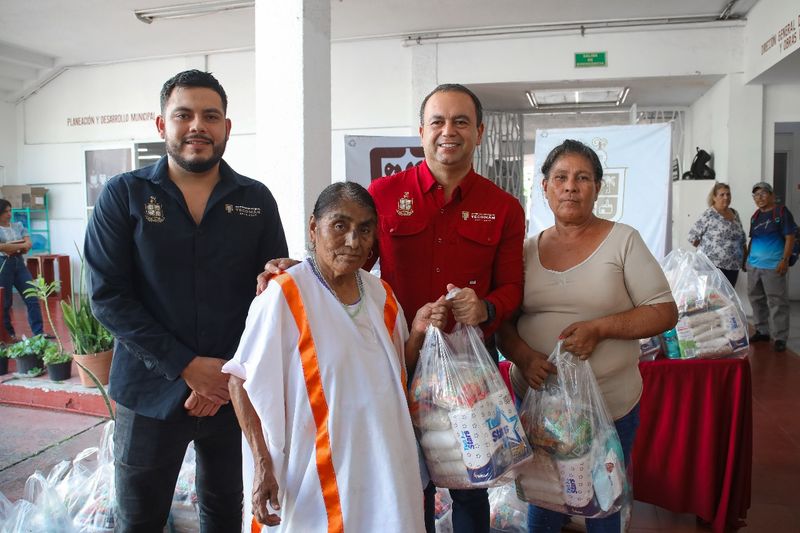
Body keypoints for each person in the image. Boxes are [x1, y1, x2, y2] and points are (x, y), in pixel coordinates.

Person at [85, 69, 287, 532]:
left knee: (225, 515)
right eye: (184, 114)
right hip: (149, 393)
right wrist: (186, 366)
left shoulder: (255, 200)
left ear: (226, 127)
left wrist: (225, 375)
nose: (198, 125)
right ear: (162, 125)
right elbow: (107, 297)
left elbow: (270, 298)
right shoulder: (125, 195)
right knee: (139, 519)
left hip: (232, 394)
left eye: (210, 115)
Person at [224, 182, 447, 532]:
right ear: (314, 228)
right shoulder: (284, 294)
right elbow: (239, 380)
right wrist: (262, 463)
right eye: (340, 226)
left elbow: (399, 371)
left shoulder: (380, 294)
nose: (353, 241)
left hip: (384, 468)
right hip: (317, 475)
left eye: (365, 229)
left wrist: (417, 330)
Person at [497, 139, 678, 533]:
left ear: (598, 187)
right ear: (544, 187)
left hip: (609, 407)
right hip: (539, 407)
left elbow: (664, 311)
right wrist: (524, 356)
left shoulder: (623, 240)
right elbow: (503, 322)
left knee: (602, 502)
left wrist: (601, 328)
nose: (570, 187)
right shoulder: (525, 251)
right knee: (545, 499)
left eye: (582, 178)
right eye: (560, 178)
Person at [744, 181, 797, 352]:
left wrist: (785, 259)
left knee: (777, 302)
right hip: (754, 266)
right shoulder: (755, 216)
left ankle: (780, 337)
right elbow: (753, 239)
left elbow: (790, 237)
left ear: (772, 196)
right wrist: (747, 259)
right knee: (756, 299)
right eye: (756, 195)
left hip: (774, 266)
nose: (759, 198)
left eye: (763, 194)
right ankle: (762, 331)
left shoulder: (781, 212)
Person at [0, 198, 45, 341]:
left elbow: (28, 244)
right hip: (3, 264)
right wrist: (20, 246)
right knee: (6, 302)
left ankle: (39, 332)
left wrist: (10, 246)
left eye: (10, 210)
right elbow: (2, 248)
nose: (9, 214)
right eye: (5, 211)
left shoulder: (18, 225)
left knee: (32, 296)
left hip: (19, 264)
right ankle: (9, 334)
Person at [687, 182, 747, 287]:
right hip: (712, 267)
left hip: (733, 266)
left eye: (728, 194)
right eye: (722, 194)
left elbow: (742, 239)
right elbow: (692, 237)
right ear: (714, 197)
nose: (726, 197)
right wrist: (709, 249)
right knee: (713, 299)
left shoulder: (735, 213)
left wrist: (745, 259)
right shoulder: (709, 214)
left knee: (728, 299)